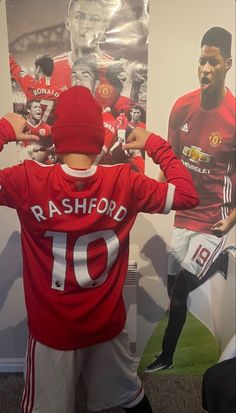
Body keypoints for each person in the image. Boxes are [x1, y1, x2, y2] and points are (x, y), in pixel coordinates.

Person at [0, 86, 199, 413]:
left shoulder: (28, 180)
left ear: (58, 135)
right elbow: (188, 195)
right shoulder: (126, 181)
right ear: (98, 138)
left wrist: (5, 130)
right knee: (128, 396)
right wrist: (154, 144)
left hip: (53, 331)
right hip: (107, 324)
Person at [145, 26, 236, 373]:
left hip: (214, 220)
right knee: (174, 291)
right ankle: (168, 356)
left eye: (212, 62)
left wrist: (232, 219)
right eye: (201, 61)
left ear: (227, 64)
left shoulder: (234, 117)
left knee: (181, 289)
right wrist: (157, 196)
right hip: (183, 217)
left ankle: (166, 357)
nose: (205, 69)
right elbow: (169, 161)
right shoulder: (181, 107)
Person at [9, 54, 67, 124]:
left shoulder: (31, 85)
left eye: (35, 69)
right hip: (53, 131)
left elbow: (15, 68)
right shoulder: (62, 91)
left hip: (34, 131)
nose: (34, 71)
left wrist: (8, 56)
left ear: (38, 69)